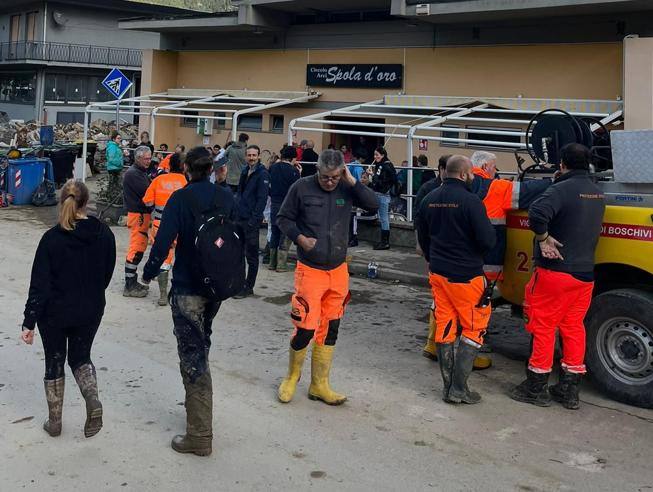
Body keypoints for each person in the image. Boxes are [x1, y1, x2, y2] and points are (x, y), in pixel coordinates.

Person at [142, 147, 236, 456]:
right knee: (202, 343)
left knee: (192, 355)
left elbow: (163, 240)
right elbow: (243, 236)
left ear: (186, 169)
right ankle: (197, 409)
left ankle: (199, 434)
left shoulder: (180, 199)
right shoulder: (225, 197)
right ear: (211, 169)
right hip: (216, 287)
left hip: (187, 288)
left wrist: (149, 272)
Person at [276, 149, 378, 405]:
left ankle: (319, 384)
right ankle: (291, 377)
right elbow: (283, 218)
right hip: (310, 269)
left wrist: (352, 181)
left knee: (331, 327)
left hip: (338, 270)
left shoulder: (347, 188)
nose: (330, 182)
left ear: (341, 172)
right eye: (325, 177)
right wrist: (300, 238)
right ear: (317, 171)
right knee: (306, 327)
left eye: (334, 177)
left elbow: (373, 205)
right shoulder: (301, 187)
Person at [510, 144, 605, 410]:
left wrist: (543, 238)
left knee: (543, 327)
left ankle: (536, 387)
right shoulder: (597, 192)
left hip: (555, 272)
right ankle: (569, 389)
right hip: (585, 274)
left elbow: (537, 214)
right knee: (573, 327)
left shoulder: (561, 189)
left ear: (562, 163)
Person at [21, 180, 116, 438]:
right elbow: (107, 274)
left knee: (54, 360)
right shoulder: (104, 233)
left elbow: (39, 285)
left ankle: (55, 422)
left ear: (63, 200)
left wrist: (29, 322)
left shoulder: (51, 239)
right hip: (90, 309)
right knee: (80, 357)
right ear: (87, 201)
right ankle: (92, 398)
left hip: (54, 313)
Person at [416, 155, 496, 405]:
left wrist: (433, 258)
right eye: (471, 173)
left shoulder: (429, 199)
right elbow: (487, 240)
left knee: (445, 325)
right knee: (474, 328)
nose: (473, 177)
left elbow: (423, 237)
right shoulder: (472, 202)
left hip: (438, 274)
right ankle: (460, 389)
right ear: (463, 175)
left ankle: (448, 386)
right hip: (467, 276)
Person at [142, 153, 188, 306]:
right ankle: (180, 293)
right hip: (182, 226)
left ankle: (163, 295)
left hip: (160, 224)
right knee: (183, 258)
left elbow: (147, 202)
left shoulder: (158, 180)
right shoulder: (187, 182)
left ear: (169, 165)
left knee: (163, 257)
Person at [233, 144, 270, 298]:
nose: (251, 158)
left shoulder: (263, 174)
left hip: (251, 221)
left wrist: (254, 220)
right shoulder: (244, 170)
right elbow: (239, 193)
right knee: (238, 254)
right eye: (249, 155)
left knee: (252, 256)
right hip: (240, 218)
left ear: (258, 156)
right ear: (246, 156)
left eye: (254, 155)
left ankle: (249, 287)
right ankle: (239, 284)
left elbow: (262, 200)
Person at [122, 146, 153, 298]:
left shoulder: (139, 172)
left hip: (141, 215)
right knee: (136, 249)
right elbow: (148, 193)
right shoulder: (134, 174)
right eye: (146, 159)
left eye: (150, 158)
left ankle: (131, 281)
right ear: (138, 158)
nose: (149, 161)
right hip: (138, 215)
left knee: (139, 248)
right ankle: (129, 284)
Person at [268, 145, 301, 272]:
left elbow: (268, 187)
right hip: (288, 206)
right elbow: (297, 190)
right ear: (293, 158)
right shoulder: (294, 171)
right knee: (285, 233)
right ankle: (281, 264)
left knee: (275, 232)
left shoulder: (273, 168)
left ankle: (272, 263)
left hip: (275, 203)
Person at [366, 146, 398, 250]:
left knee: (384, 219)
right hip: (381, 194)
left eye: (377, 155)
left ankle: (385, 242)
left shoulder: (385, 166)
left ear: (383, 155)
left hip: (383, 194)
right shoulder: (383, 165)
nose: (375, 157)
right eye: (374, 155)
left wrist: (372, 174)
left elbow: (382, 182)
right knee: (383, 218)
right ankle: (383, 241)